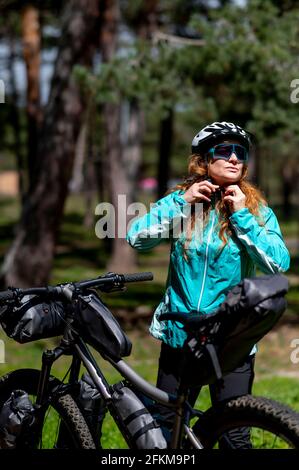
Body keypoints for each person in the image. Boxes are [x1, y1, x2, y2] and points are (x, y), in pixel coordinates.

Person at [126, 121, 290, 448]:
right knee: (167, 429)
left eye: (239, 153)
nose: (233, 158)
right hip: (180, 336)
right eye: (223, 151)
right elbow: (137, 238)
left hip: (232, 337)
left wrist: (241, 214)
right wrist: (183, 202)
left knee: (234, 433)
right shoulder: (181, 202)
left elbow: (278, 263)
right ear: (203, 160)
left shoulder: (256, 209)